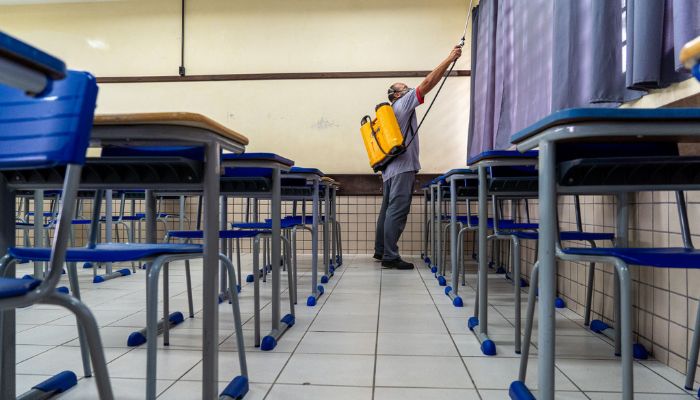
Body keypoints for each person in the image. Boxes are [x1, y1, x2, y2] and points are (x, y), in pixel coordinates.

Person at [374, 45, 462, 270]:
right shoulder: (402, 105)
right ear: (396, 94)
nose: (410, 89)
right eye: (405, 88)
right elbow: (427, 84)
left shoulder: (390, 113)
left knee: (387, 209)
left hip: (389, 170)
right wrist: (449, 58)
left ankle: (381, 250)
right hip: (402, 168)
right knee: (397, 210)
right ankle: (391, 257)